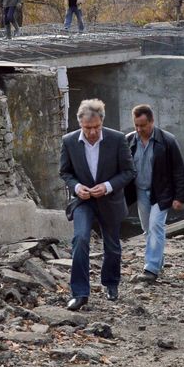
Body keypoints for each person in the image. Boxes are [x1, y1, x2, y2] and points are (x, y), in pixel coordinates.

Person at [59, 98, 135, 310]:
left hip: (110, 200)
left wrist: (108, 186)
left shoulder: (117, 139)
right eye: (87, 128)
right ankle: (80, 293)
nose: (92, 132)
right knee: (80, 239)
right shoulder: (69, 141)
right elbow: (65, 172)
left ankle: (111, 283)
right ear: (79, 124)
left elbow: (130, 171)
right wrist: (76, 188)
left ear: (102, 122)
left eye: (96, 128)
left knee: (112, 246)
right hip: (84, 201)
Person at [124, 104, 184, 283]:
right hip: (140, 191)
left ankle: (150, 269)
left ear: (152, 121)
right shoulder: (129, 140)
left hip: (162, 191)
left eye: (143, 125)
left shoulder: (167, 140)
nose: (139, 129)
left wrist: (179, 196)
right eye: (136, 125)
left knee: (155, 226)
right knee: (146, 229)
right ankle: (157, 260)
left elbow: (179, 170)